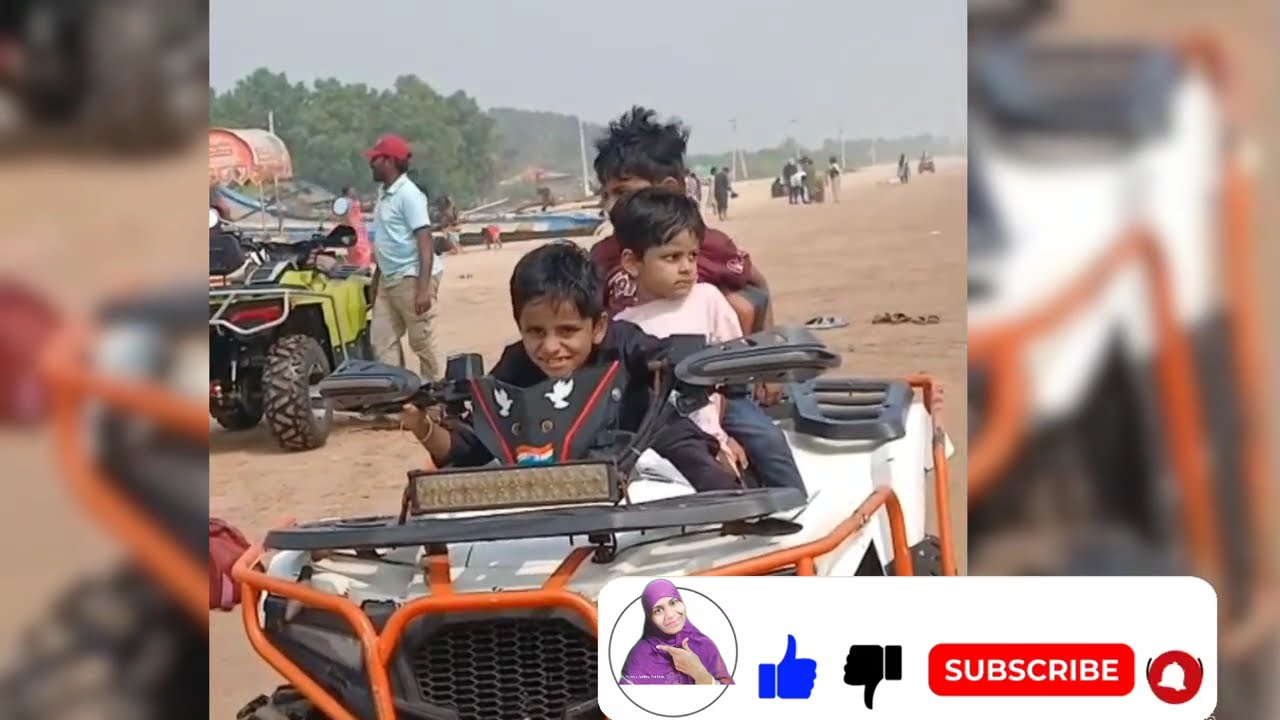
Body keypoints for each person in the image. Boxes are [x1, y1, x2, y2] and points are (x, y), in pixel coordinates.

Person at [399, 242, 740, 491]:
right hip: (557, 489)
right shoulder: (515, 365)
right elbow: (473, 447)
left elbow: (665, 354)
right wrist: (422, 426)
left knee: (693, 455)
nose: (549, 347)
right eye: (535, 332)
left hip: (639, 446)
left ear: (599, 327)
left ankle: (741, 524)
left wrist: (687, 363)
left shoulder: (626, 344)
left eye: (567, 331)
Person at [610, 188, 806, 492]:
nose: (687, 267)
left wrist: (723, 435)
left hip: (716, 412)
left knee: (767, 439)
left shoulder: (707, 299)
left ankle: (794, 502)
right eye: (671, 257)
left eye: (692, 256)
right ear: (633, 262)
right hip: (660, 437)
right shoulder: (622, 326)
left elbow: (730, 370)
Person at [587, 106, 775, 340]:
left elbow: (758, 288)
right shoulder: (602, 255)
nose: (611, 205)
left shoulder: (708, 244)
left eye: (622, 192)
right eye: (606, 195)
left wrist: (770, 363)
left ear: (669, 189)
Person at [364, 133, 444, 380]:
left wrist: (422, 289)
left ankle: (437, 394)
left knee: (421, 342)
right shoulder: (384, 194)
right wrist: (377, 281)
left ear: (389, 161)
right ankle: (397, 396)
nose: (371, 163)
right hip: (390, 279)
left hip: (411, 276)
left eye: (375, 159)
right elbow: (385, 240)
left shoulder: (408, 195)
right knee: (381, 340)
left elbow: (425, 241)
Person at [620, 579, 734, 685]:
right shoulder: (640, 657)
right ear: (650, 618)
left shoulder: (704, 645)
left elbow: (731, 700)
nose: (670, 615)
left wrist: (700, 673)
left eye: (673, 603)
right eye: (658, 610)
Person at [335, 185, 373, 268]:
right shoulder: (347, 202)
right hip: (354, 226)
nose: (354, 192)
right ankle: (359, 265)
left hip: (356, 226)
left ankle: (356, 265)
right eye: (352, 190)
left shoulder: (347, 201)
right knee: (359, 248)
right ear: (348, 192)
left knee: (357, 248)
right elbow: (347, 215)